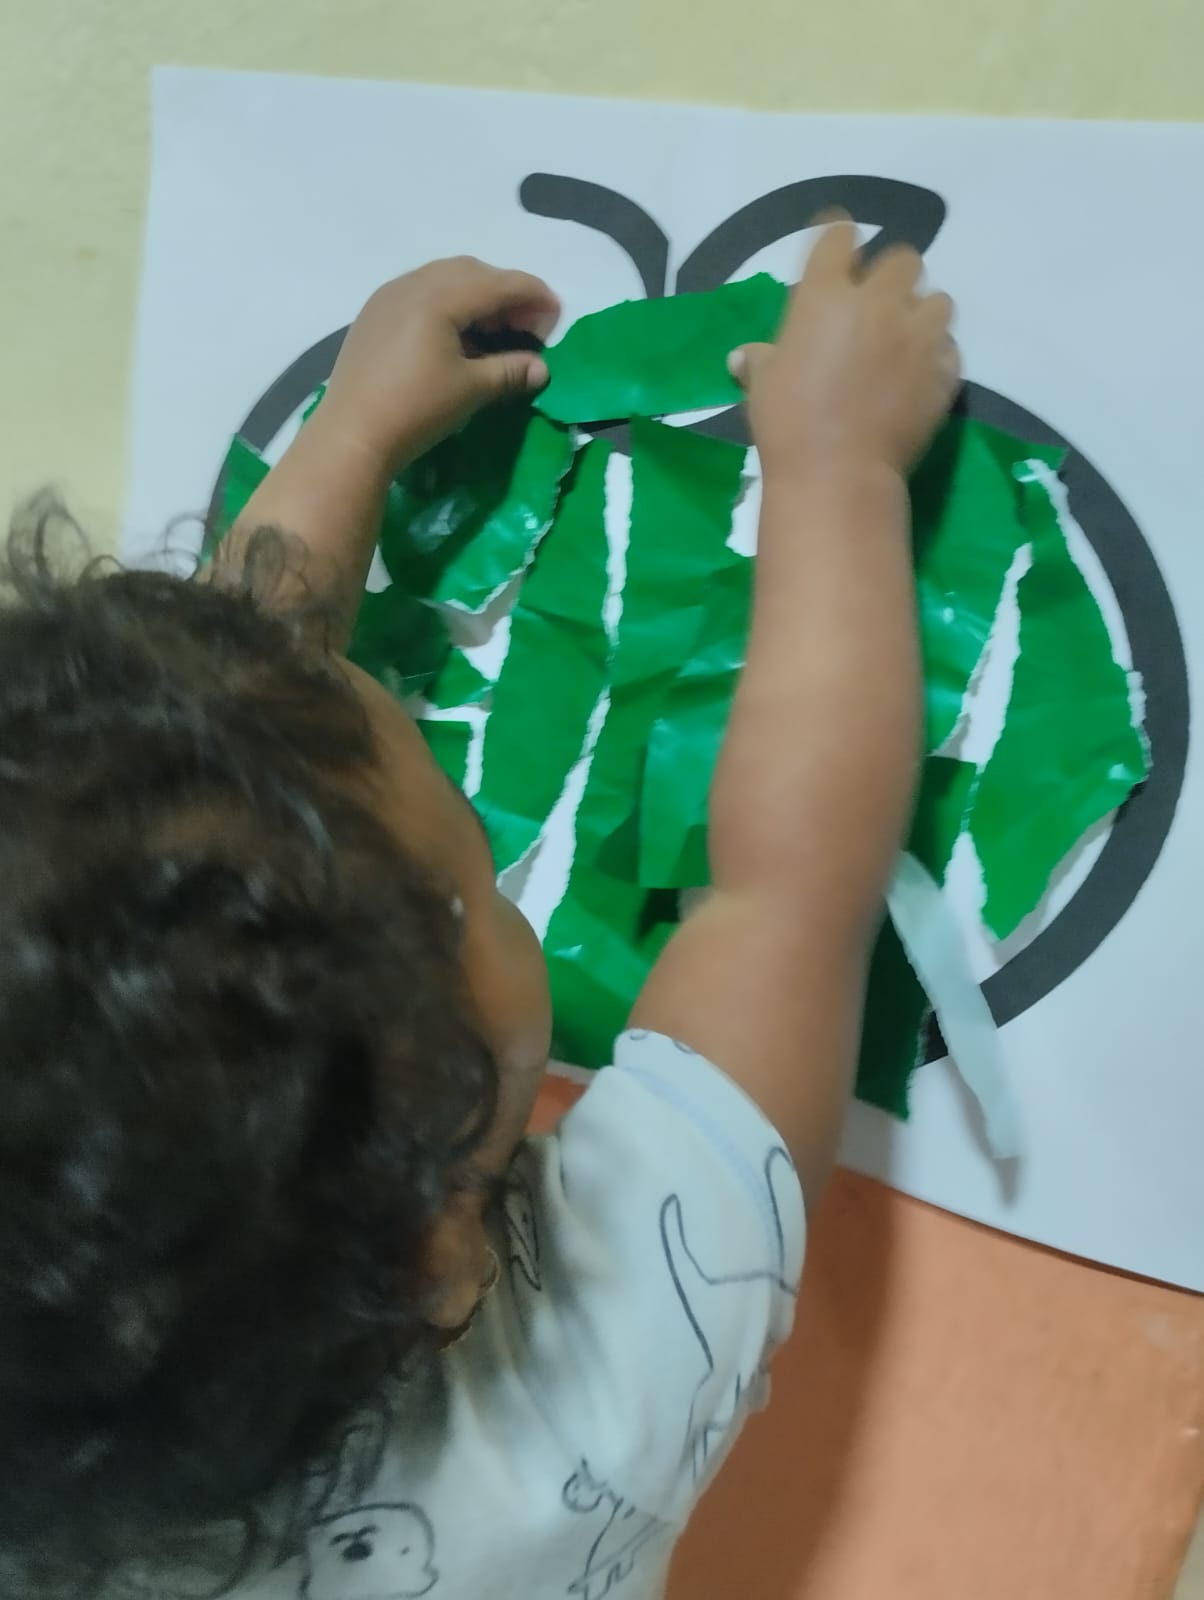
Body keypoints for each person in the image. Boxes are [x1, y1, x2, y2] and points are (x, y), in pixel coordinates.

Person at [0, 223, 958, 1599]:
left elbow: (176, 812)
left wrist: (350, 437)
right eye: (457, 873)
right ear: (443, 1248)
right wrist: (840, 466)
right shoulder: (582, 1406)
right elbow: (788, 895)